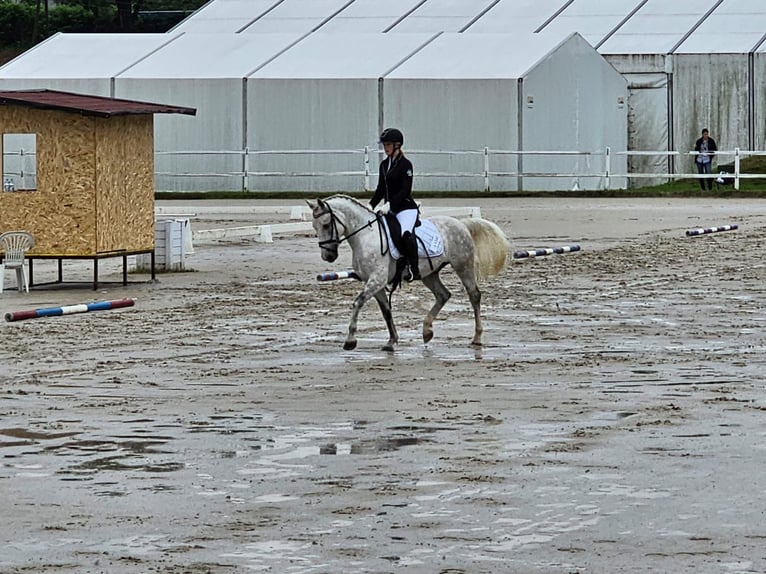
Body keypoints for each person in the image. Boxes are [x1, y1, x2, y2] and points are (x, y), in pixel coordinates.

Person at [370, 127, 420, 282]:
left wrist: (389, 204)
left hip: (406, 209)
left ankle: (414, 269)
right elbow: (380, 189)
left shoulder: (406, 165)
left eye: (388, 145)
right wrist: (370, 205)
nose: (385, 148)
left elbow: (406, 190)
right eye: (384, 145)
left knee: (405, 234)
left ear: (397, 145)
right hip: (390, 209)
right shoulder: (384, 165)